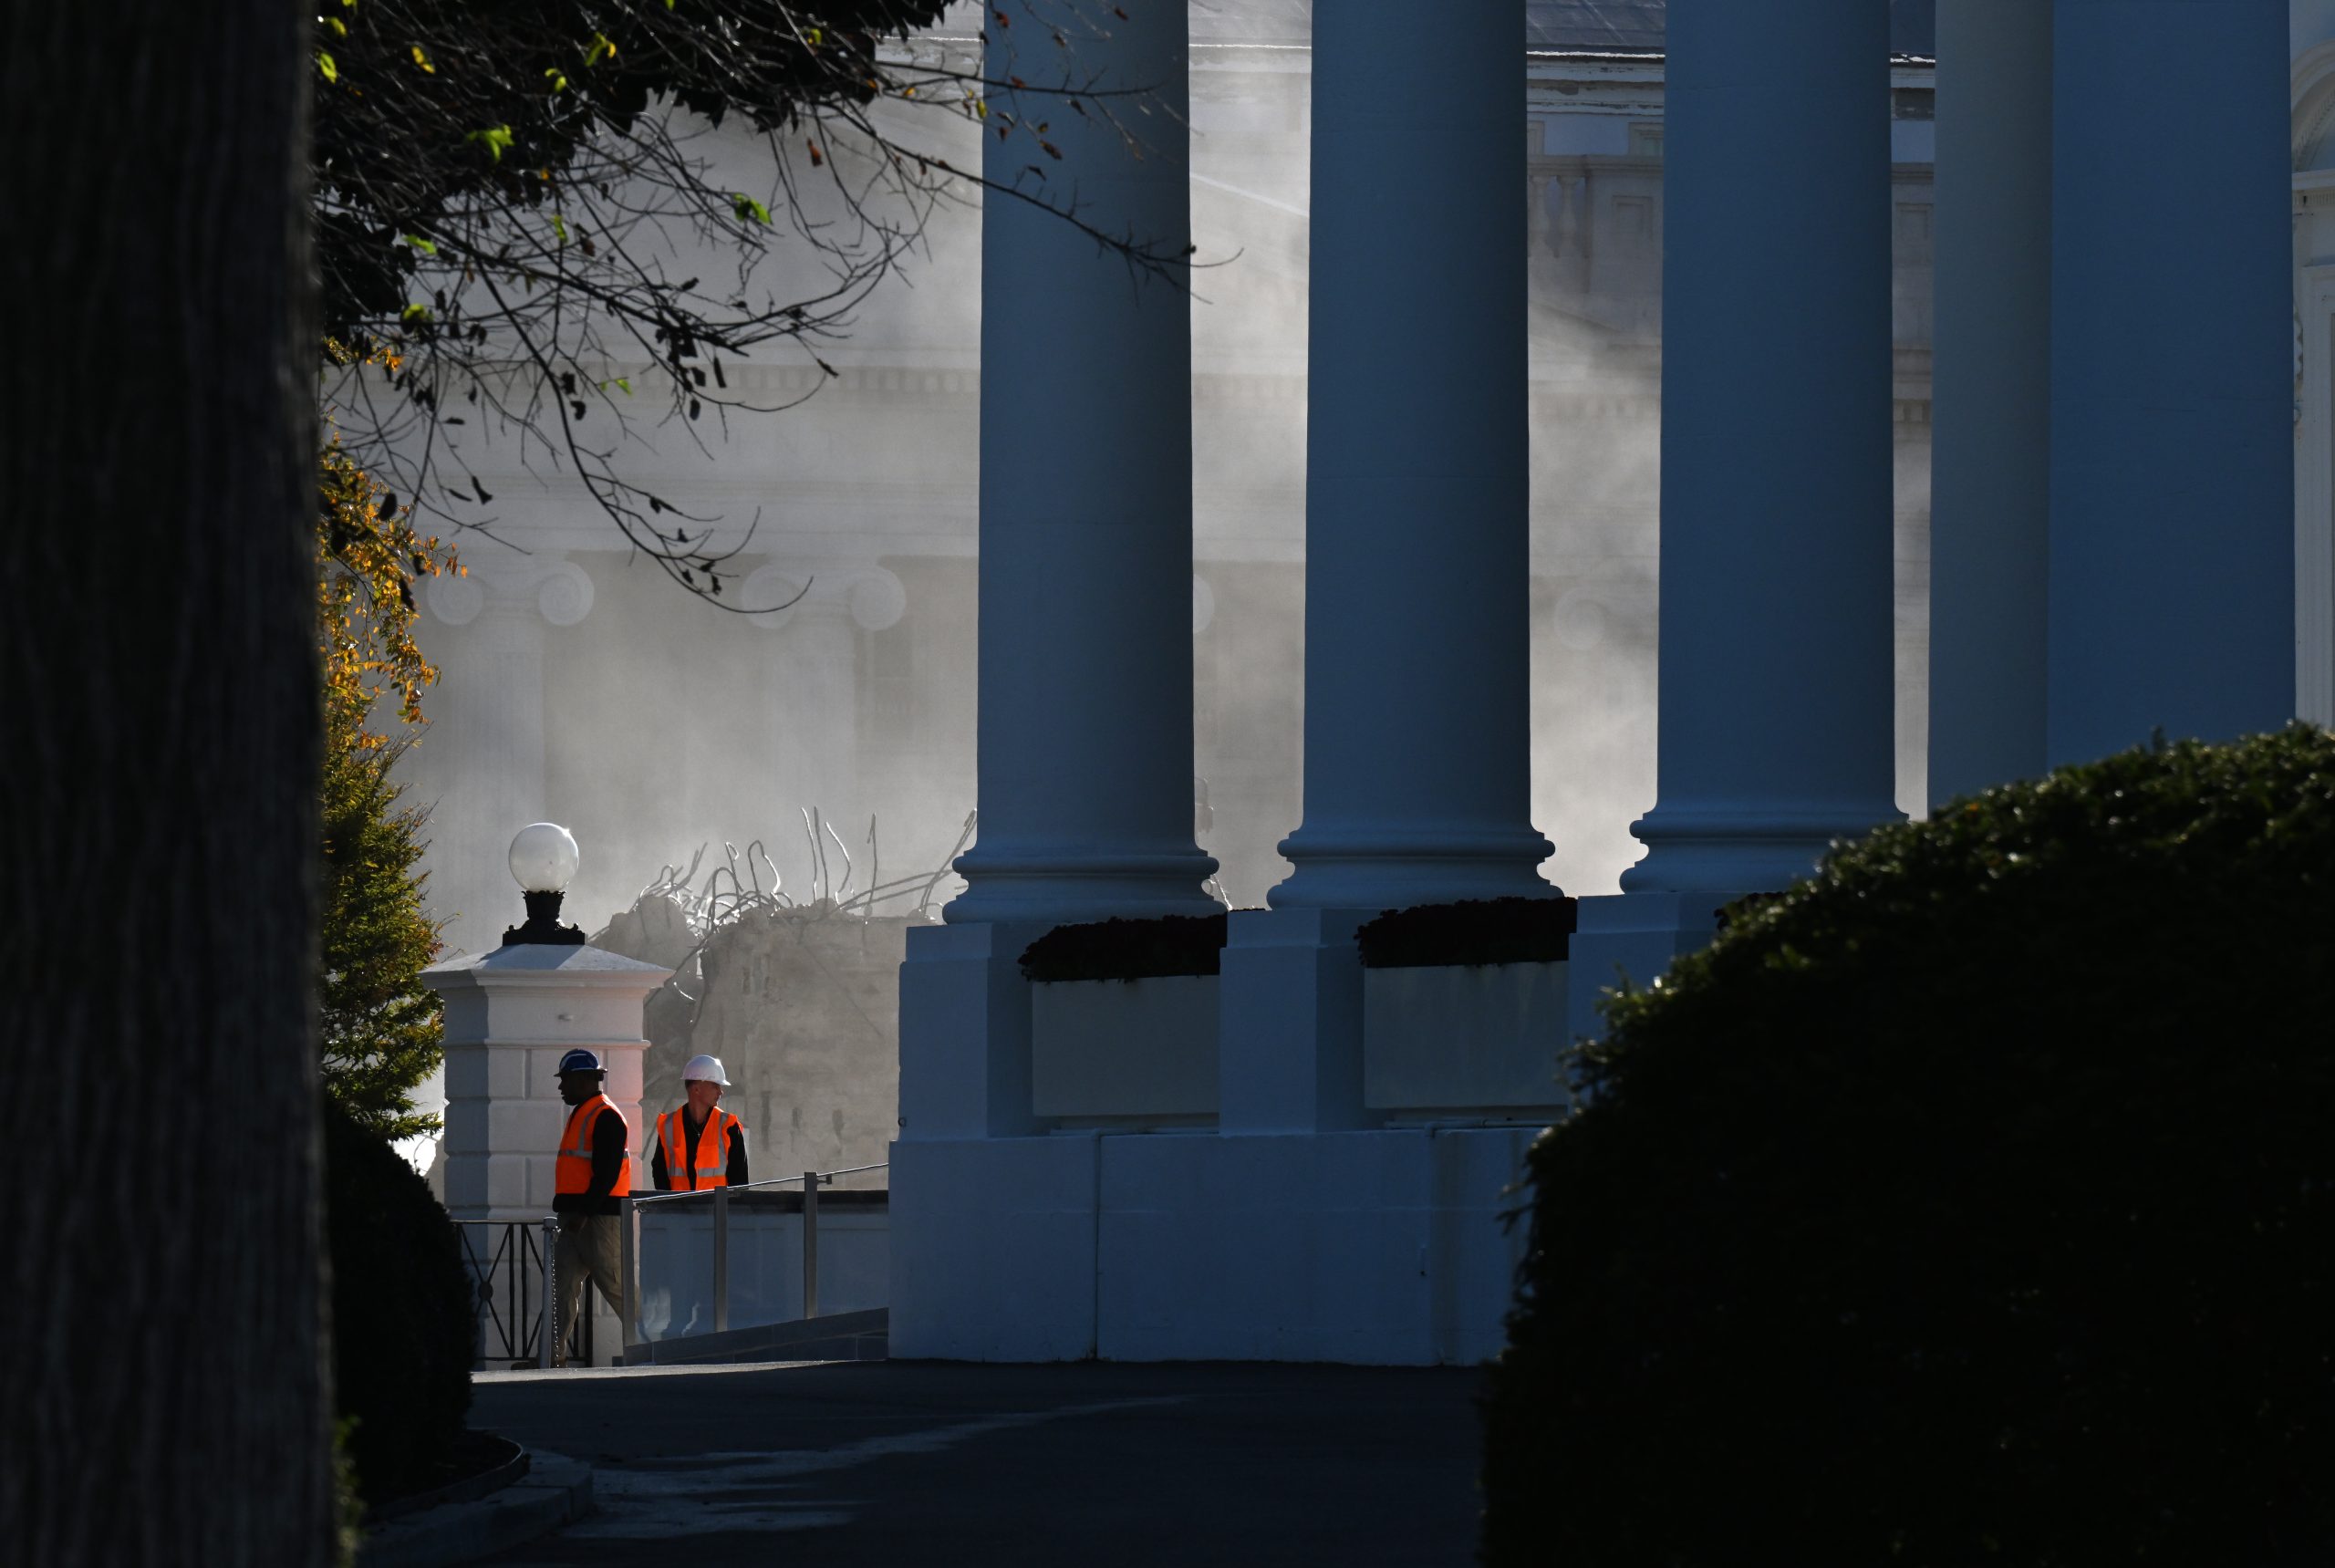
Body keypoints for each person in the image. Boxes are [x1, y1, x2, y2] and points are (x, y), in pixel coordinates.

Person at [550, 1047, 629, 1367]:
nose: (560, 1087)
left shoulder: (606, 1116)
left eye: (565, 1080)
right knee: (561, 1291)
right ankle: (552, 1356)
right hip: (576, 1217)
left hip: (596, 1219)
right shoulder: (585, 1113)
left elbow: (607, 1172)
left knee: (616, 1286)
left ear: (584, 1080)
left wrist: (584, 1212)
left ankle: (652, 1348)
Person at [650, 1054, 749, 1191]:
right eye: (715, 1085)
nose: (720, 1092)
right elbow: (659, 1172)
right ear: (696, 1089)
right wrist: (668, 1208)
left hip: (718, 1212)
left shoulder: (729, 1127)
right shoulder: (669, 1126)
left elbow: (740, 1183)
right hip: (679, 1210)